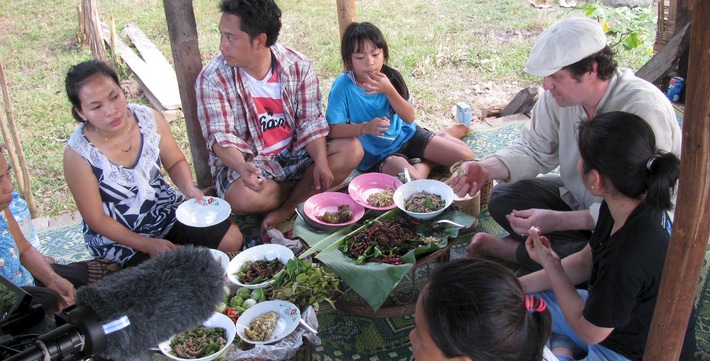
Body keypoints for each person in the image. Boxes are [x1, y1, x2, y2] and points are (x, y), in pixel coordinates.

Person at [447, 17, 682, 275]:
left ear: (591, 69)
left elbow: (641, 204)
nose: (547, 85)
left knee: (610, 260)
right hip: (579, 198)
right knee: (503, 197)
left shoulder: (642, 109)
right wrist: (485, 169)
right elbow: (533, 148)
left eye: (556, 76)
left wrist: (558, 221)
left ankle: (514, 251)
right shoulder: (556, 98)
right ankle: (554, 253)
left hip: (628, 220)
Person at [520, 111, 695, 361]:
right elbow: (586, 260)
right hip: (611, 323)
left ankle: (561, 352)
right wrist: (517, 287)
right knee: (520, 305)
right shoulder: (626, 206)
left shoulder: (630, 253)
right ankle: (562, 349)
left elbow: (590, 331)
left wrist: (551, 265)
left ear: (595, 179)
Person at [195, 0, 363, 233]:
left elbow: (310, 120)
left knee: (352, 149)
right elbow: (220, 136)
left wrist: (322, 163)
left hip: (296, 153)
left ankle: (285, 209)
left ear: (260, 40)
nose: (222, 46)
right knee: (242, 197)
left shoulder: (298, 65)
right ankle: (305, 192)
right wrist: (241, 166)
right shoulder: (213, 78)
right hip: (252, 163)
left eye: (231, 38)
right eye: (222, 36)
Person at [63, 60, 243, 268]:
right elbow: (96, 219)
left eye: (115, 97)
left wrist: (187, 187)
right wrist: (147, 244)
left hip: (164, 212)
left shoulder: (148, 119)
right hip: (121, 238)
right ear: (81, 113)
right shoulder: (78, 155)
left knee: (231, 239)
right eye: (96, 107)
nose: (111, 110)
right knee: (170, 278)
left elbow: (175, 161)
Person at [410, 258, 581, 361]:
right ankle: (563, 349)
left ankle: (564, 349)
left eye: (421, 339)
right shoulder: (519, 343)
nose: (411, 337)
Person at [326, 22, 474, 179]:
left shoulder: (391, 78)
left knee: (466, 157)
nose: (369, 62)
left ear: (384, 54)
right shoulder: (343, 87)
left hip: (406, 134)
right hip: (379, 153)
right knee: (411, 180)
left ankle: (443, 136)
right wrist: (365, 128)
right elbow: (332, 129)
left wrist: (389, 90)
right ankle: (429, 162)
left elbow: (409, 118)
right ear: (349, 61)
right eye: (360, 57)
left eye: (375, 54)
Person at [0, 149, 75, 312]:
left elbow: (24, 249)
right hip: (14, 312)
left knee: (106, 274)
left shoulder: (2, 210)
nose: (8, 187)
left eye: (7, 174)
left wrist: (52, 280)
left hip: (31, 290)